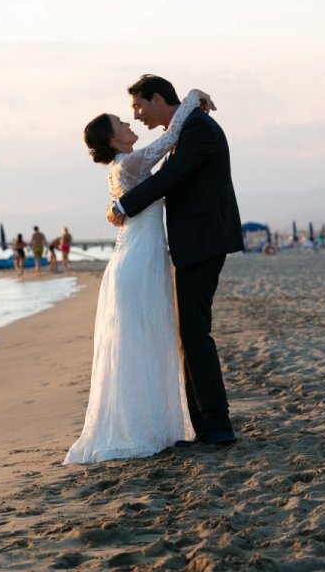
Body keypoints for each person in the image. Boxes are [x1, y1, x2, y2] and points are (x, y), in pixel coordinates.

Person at [64, 86, 208, 465]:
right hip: (137, 262)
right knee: (141, 341)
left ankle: (146, 425)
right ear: (112, 139)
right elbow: (171, 139)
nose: (130, 122)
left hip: (140, 258)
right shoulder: (129, 163)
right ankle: (138, 430)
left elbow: (165, 167)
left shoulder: (127, 167)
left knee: (143, 341)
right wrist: (193, 97)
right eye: (121, 122)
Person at [106, 74, 244, 448]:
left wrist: (124, 205)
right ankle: (204, 425)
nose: (136, 115)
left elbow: (173, 176)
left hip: (203, 241)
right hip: (194, 243)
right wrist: (194, 94)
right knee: (189, 335)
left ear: (156, 98)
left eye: (139, 106)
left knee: (196, 333)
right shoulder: (187, 126)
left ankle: (218, 425)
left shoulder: (197, 127)